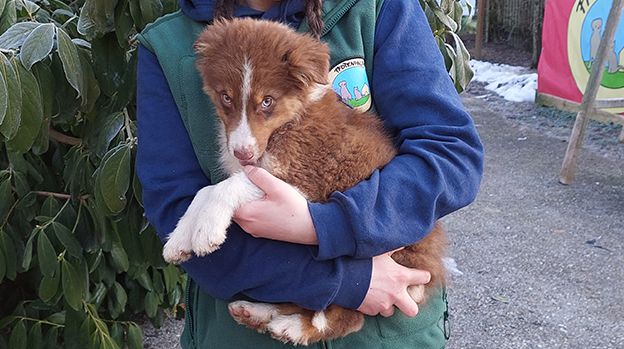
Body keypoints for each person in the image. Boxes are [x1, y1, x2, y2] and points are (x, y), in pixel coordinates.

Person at [136, 0, 484, 348]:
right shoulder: (170, 44)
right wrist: (347, 282)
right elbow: (174, 209)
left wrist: (325, 224)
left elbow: (451, 155)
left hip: (385, 330)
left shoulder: (377, 8)